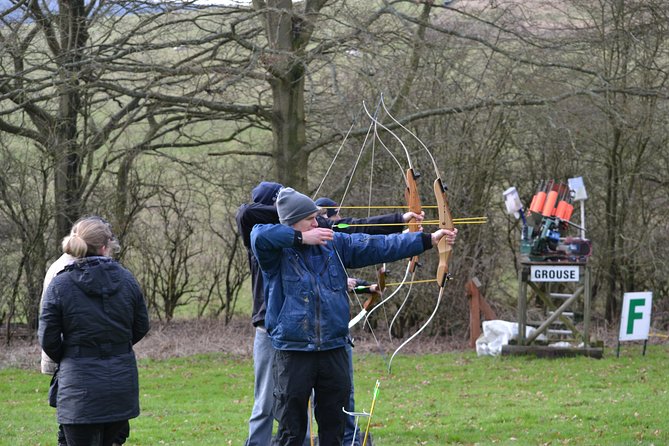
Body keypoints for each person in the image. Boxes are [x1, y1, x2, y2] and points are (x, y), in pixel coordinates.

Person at [251, 187, 457, 445]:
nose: (317, 223)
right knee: (291, 431)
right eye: (310, 220)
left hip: (333, 349)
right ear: (292, 222)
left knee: (334, 429)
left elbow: (377, 245)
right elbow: (258, 234)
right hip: (294, 352)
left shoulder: (335, 244)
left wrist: (429, 239)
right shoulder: (276, 254)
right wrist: (302, 238)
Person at [39, 217, 150, 446]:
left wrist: (70, 354)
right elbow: (141, 325)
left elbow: (47, 337)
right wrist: (118, 346)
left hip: (78, 388)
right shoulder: (127, 279)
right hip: (120, 385)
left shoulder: (60, 285)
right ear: (103, 247)